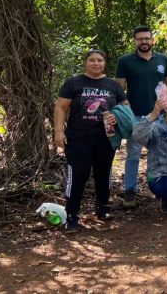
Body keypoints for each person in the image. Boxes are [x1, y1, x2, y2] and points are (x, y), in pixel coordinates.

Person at [54, 50, 129, 233]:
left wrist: (116, 116)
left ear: (104, 63)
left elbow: (125, 107)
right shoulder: (74, 83)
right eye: (92, 60)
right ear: (85, 63)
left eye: (100, 60)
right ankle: (72, 216)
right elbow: (61, 107)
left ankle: (102, 208)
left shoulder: (112, 85)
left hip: (106, 139)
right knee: (78, 176)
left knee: (103, 174)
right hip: (78, 138)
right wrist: (58, 132)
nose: (96, 63)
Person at [115, 25, 167, 209]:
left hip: (159, 115)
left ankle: (165, 193)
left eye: (147, 38)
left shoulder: (162, 59)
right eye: (140, 39)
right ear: (135, 40)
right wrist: (125, 109)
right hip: (136, 117)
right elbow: (119, 90)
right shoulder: (125, 61)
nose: (144, 42)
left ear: (152, 40)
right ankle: (130, 191)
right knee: (133, 155)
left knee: (161, 154)